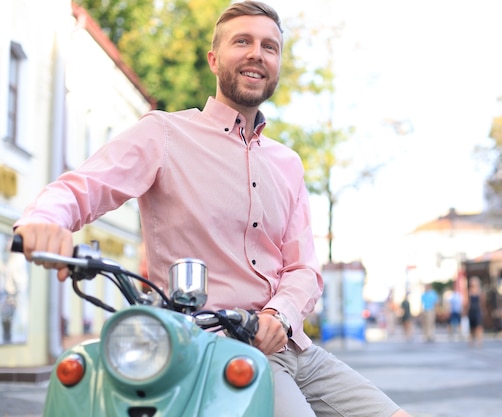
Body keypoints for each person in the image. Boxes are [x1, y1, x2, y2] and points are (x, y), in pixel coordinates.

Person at [12, 2, 412, 416]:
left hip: (294, 346)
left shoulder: (287, 162)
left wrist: (280, 315)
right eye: (243, 41)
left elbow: (304, 269)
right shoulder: (164, 133)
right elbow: (85, 186)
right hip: (217, 348)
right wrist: (45, 220)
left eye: (270, 47)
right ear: (214, 58)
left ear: (277, 64)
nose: (258, 53)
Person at [467, 277, 483, 347]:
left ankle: (479, 342)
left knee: (479, 327)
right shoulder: (469, 292)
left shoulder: (480, 292)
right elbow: (468, 303)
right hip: (471, 310)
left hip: (477, 309)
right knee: (472, 327)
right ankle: (471, 341)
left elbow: (482, 302)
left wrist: (482, 310)